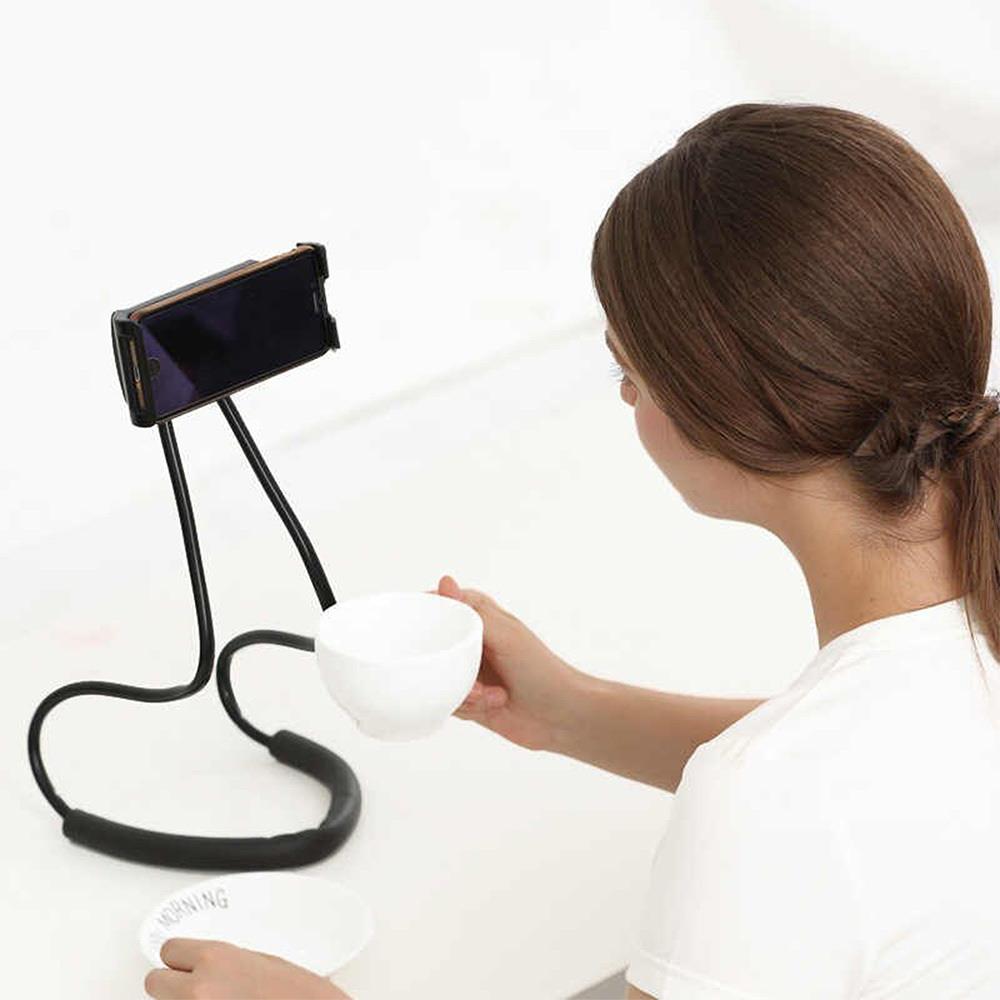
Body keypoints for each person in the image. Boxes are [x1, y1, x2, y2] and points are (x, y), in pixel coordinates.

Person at [144, 102, 1000, 999]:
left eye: (629, 370)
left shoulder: (772, 806)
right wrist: (571, 713)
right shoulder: (856, 744)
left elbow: (806, 801)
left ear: (729, 414)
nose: (626, 397)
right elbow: (885, 783)